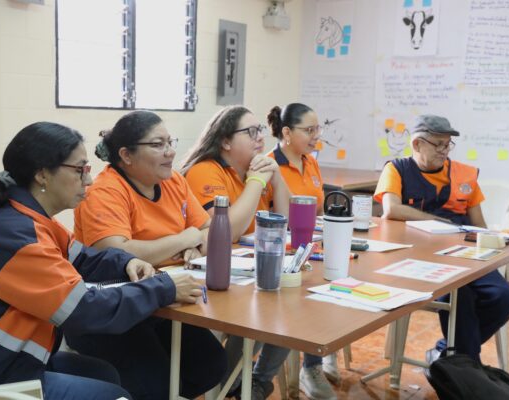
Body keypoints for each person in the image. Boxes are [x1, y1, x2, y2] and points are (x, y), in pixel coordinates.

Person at [0, 122, 206, 400]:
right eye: (79, 170)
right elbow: (83, 310)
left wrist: (125, 263)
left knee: (105, 374)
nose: (89, 180)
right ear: (42, 175)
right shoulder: (19, 239)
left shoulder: (22, 217)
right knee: (116, 393)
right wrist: (164, 287)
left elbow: (82, 257)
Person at [66, 110, 227, 399]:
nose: (170, 152)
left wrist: (191, 245)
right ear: (126, 155)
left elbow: (208, 229)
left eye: (170, 142)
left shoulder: (173, 181)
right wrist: (184, 239)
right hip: (112, 307)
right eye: (157, 144)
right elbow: (117, 251)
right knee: (155, 386)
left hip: (163, 300)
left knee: (210, 366)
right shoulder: (104, 190)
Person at [373, 114, 509, 364]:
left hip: (464, 256)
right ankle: (462, 366)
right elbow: (391, 209)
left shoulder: (465, 174)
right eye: (438, 144)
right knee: (461, 297)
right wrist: (438, 221)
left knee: (503, 298)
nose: (444, 151)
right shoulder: (396, 169)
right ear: (417, 144)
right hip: (418, 260)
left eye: (448, 144)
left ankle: (446, 354)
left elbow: (479, 225)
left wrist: (494, 243)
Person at [181, 105, 291, 400]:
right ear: (226, 141)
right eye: (251, 132)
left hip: (245, 272)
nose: (260, 138)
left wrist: (276, 177)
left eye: (260, 131)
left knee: (290, 302)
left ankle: (255, 381)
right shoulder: (206, 170)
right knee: (265, 309)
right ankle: (227, 384)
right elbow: (226, 232)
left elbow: (286, 222)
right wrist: (257, 181)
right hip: (211, 278)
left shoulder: (253, 170)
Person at [267, 103, 338, 400]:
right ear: (286, 132)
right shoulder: (270, 164)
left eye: (317, 129)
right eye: (309, 130)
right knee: (311, 294)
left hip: (313, 246)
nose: (316, 136)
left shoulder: (311, 162)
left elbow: (318, 210)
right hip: (284, 253)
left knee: (336, 279)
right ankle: (312, 367)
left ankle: (323, 351)